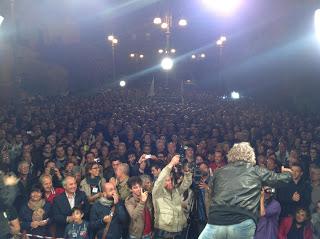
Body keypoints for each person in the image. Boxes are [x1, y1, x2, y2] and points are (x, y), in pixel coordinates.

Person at [199, 142, 293, 239]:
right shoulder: (256, 170)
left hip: (216, 219)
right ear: (251, 156)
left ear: (231, 156)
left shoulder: (219, 172)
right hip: (242, 219)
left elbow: (210, 193)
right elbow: (278, 179)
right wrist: (288, 174)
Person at [152, 155, 192, 239]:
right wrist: (171, 163)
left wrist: (187, 172)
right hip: (164, 232)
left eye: (170, 180)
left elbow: (186, 183)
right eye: (166, 181)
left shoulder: (176, 191)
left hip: (178, 230)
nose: (169, 182)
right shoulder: (157, 192)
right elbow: (160, 180)